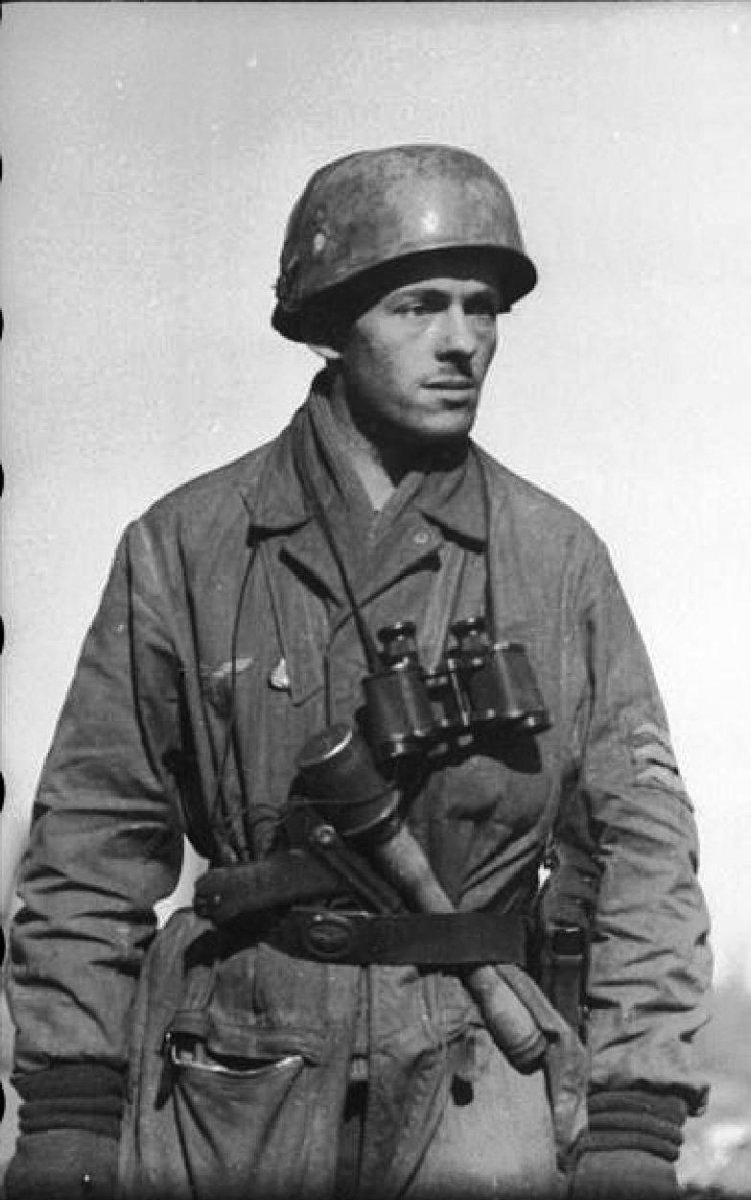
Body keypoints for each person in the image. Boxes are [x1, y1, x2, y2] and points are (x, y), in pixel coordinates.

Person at [6, 144, 712, 1200]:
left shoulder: (554, 557)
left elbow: (642, 850)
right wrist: (69, 1109)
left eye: (482, 309)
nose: (461, 342)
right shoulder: (188, 545)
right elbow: (92, 845)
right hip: (232, 1082)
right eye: (419, 306)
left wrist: (633, 1120)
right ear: (333, 325)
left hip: (483, 1081)